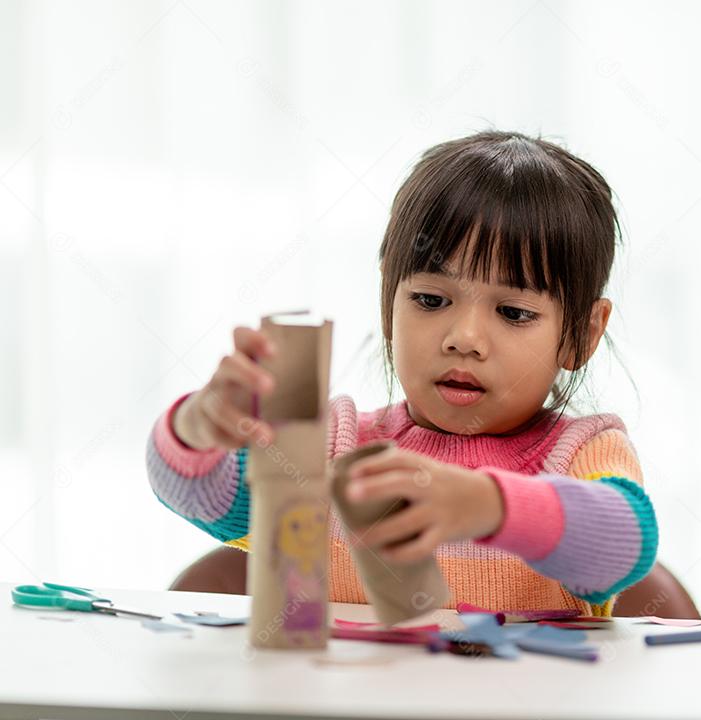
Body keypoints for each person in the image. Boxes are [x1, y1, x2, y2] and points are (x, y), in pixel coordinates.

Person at [146, 130, 658, 616]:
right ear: (388, 304)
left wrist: (486, 505)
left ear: (583, 334)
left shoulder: (584, 453)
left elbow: (623, 543)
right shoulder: (331, 447)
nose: (465, 338)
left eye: (514, 312)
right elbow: (200, 495)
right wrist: (199, 428)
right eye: (431, 299)